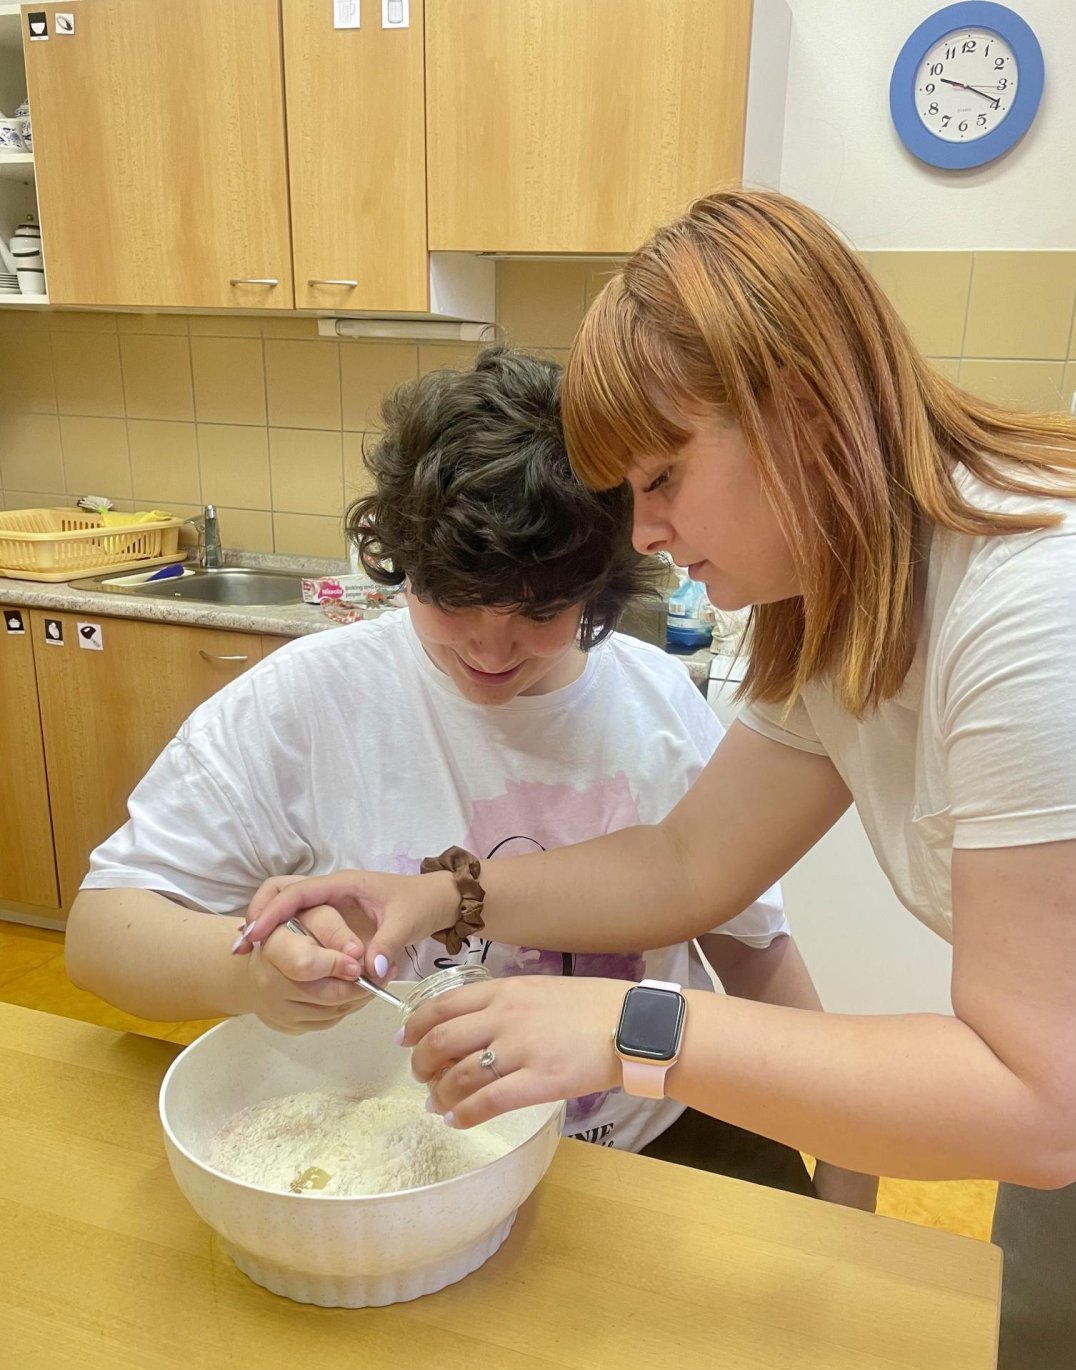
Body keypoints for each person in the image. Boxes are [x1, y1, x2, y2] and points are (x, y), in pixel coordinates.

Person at [240, 191, 1076, 1370]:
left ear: (802, 405)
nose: (644, 532)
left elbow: (1044, 1100)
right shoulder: (844, 596)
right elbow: (689, 864)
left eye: (664, 477)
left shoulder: (1066, 603)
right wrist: (442, 895)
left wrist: (634, 1030)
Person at [65, 346, 873, 1204]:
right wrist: (248, 975)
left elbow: (751, 947)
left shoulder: (658, 704)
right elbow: (100, 933)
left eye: (539, 610)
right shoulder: (306, 701)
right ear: (401, 563)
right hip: (407, 1160)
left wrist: (847, 1158)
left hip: (646, 1143)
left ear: (600, 587)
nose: (490, 647)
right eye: (451, 600)